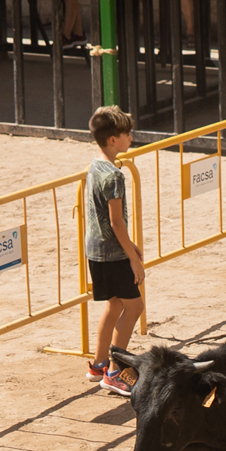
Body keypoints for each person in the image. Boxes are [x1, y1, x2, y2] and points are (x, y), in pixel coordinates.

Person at [84, 106, 144, 398]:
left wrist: (129, 246)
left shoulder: (95, 165)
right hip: (114, 254)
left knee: (114, 305)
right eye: (127, 134)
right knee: (134, 307)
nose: (131, 137)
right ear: (113, 140)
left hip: (96, 251)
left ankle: (98, 364)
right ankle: (114, 370)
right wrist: (132, 257)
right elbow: (116, 222)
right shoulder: (115, 176)